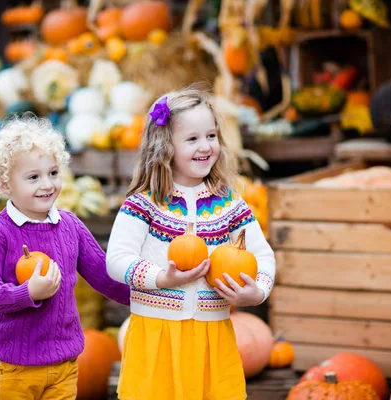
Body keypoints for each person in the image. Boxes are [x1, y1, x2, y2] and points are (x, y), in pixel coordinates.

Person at [106, 85, 276, 400]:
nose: (205, 146)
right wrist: (161, 277)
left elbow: (263, 255)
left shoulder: (229, 205)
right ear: (164, 146)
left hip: (212, 335)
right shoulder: (144, 205)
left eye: (211, 136)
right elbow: (117, 259)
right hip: (156, 333)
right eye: (192, 138)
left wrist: (258, 291)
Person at [0, 116, 130, 400]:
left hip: (63, 365)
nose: (47, 184)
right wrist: (27, 292)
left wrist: (147, 294)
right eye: (33, 177)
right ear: (4, 184)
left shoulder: (70, 226)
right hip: (14, 369)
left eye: (53, 173)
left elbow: (104, 276)